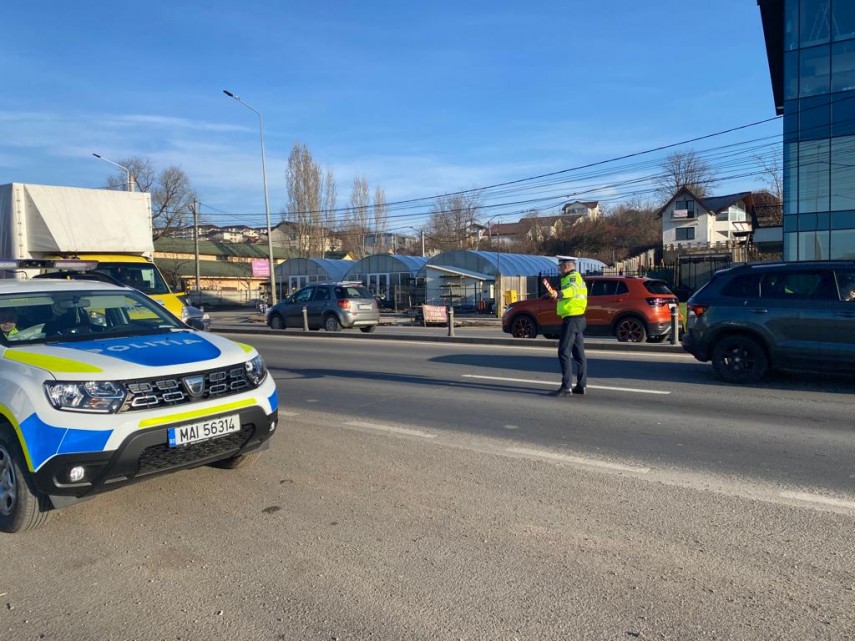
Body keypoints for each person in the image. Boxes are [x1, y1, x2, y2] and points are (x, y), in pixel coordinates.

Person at [543, 256, 588, 397]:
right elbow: (571, 294)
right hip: (578, 318)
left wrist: (559, 293)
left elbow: (572, 290)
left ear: (567, 266)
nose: (559, 269)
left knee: (563, 352)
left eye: (560, 266)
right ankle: (581, 385)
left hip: (572, 319)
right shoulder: (575, 277)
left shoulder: (573, 278)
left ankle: (566, 386)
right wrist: (554, 295)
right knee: (579, 354)